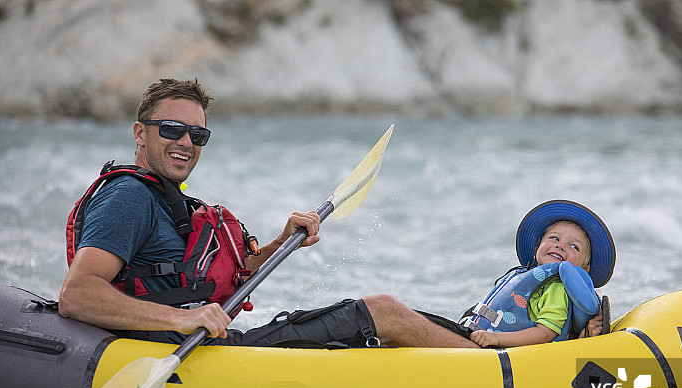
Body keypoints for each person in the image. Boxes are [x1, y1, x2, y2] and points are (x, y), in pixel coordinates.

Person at [59, 78, 604, 349]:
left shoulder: (171, 200)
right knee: (383, 311)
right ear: (140, 133)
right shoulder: (129, 197)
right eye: (172, 130)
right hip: (187, 349)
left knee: (399, 315)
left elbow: (226, 275)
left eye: (197, 134)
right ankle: (507, 366)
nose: (185, 142)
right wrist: (182, 320)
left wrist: (280, 242)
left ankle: (499, 339)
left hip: (207, 341)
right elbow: (77, 295)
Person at [462, 200, 615, 348]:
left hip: (496, 347)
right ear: (537, 248)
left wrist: (495, 338)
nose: (560, 246)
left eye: (574, 246)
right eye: (554, 238)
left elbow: (545, 334)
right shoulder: (521, 275)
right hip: (481, 337)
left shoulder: (557, 289)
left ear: (584, 269)